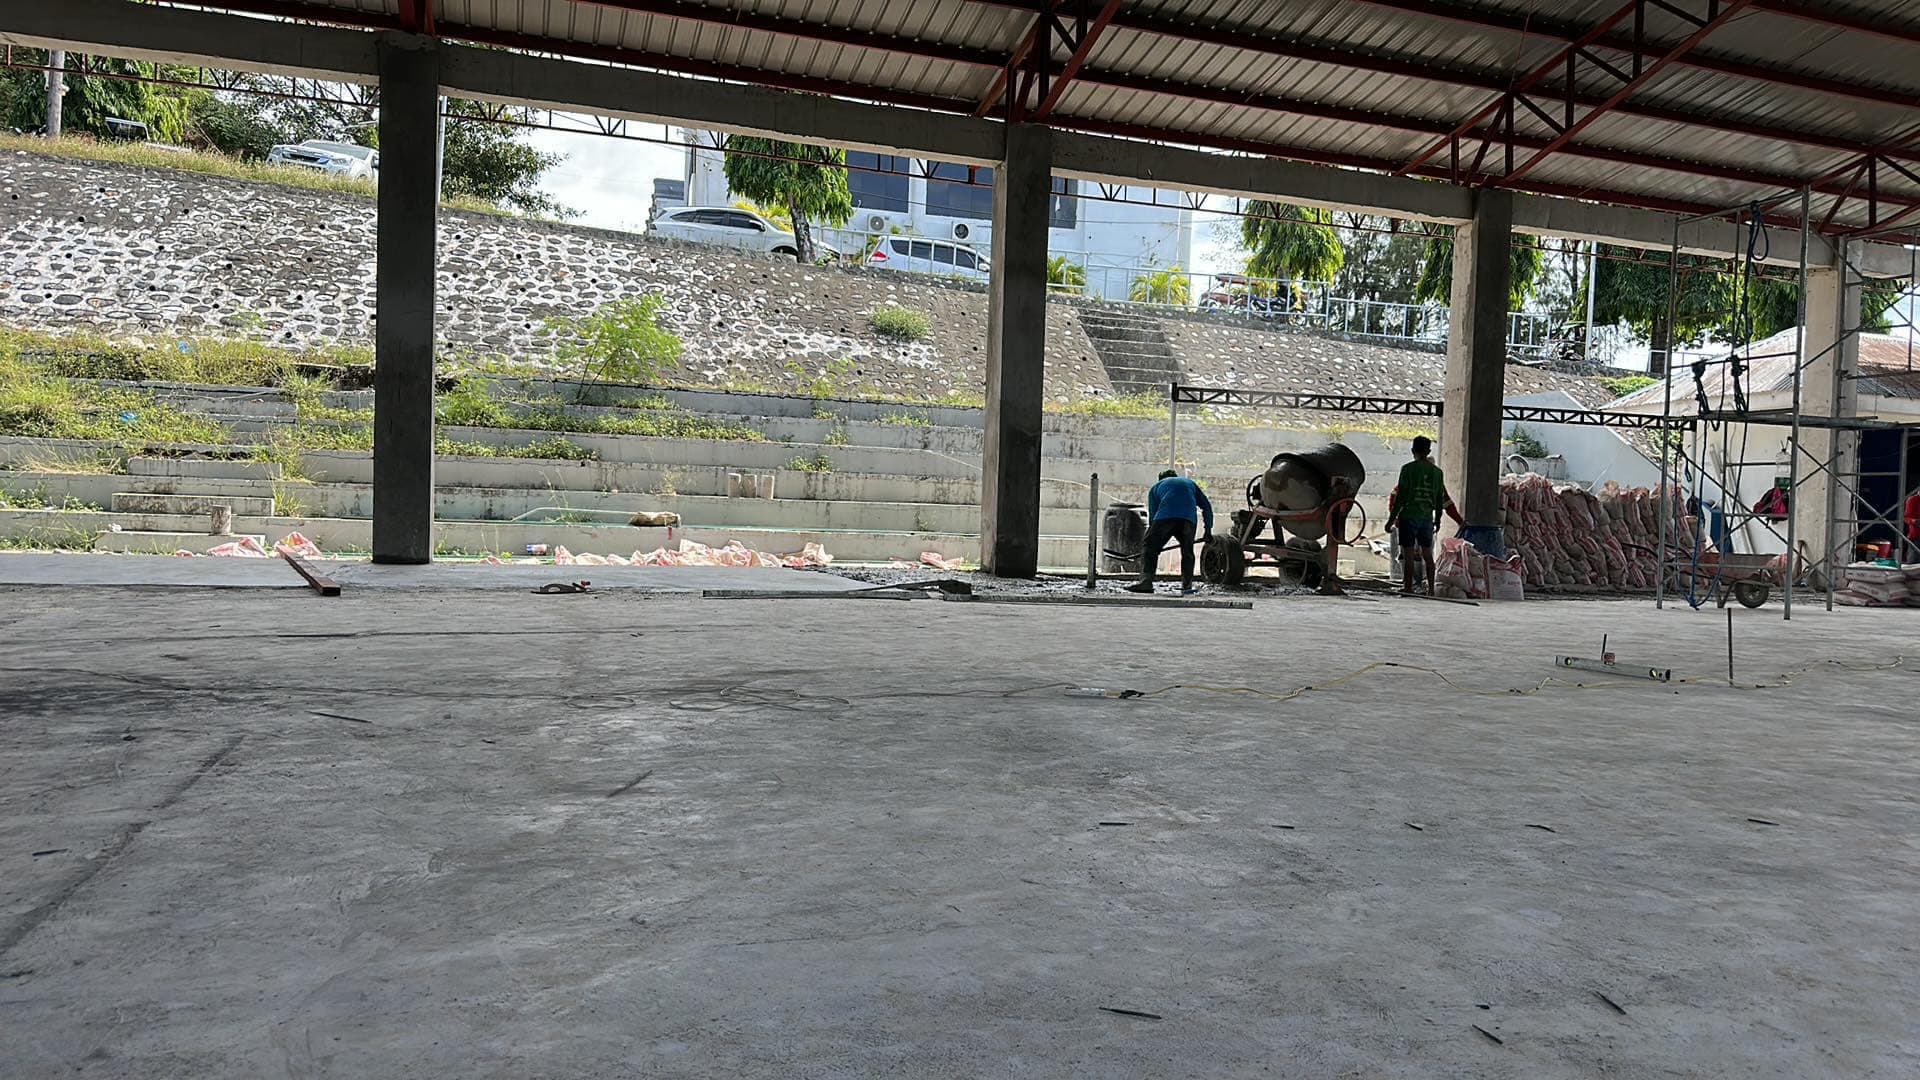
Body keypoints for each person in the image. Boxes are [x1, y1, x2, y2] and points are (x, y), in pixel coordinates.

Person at [1384, 436, 1465, 596]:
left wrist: (1391, 521)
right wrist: (1438, 520)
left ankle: (1408, 588)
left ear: (1413, 451)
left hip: (1408, 517)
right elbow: (1439, 499)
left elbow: (1399, 498)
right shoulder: (1437, 473)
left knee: (1407, 555)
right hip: (1427, 519)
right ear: (1428, 452)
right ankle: (1431, 590)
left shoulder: (1407, 469)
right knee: (1427, 555)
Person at [1127, 469, 1214, 595]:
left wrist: (1153, 541)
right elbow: (1206, 506)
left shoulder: (1156, 487)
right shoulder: (1190, 483)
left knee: (1149, 546)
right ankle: (1187, 585)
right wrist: (1208, 531)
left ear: (1160, 479)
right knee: (1187, 552)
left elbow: (1153, 516)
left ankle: (1146, 582)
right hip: (1188, 519)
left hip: (1165, 517)